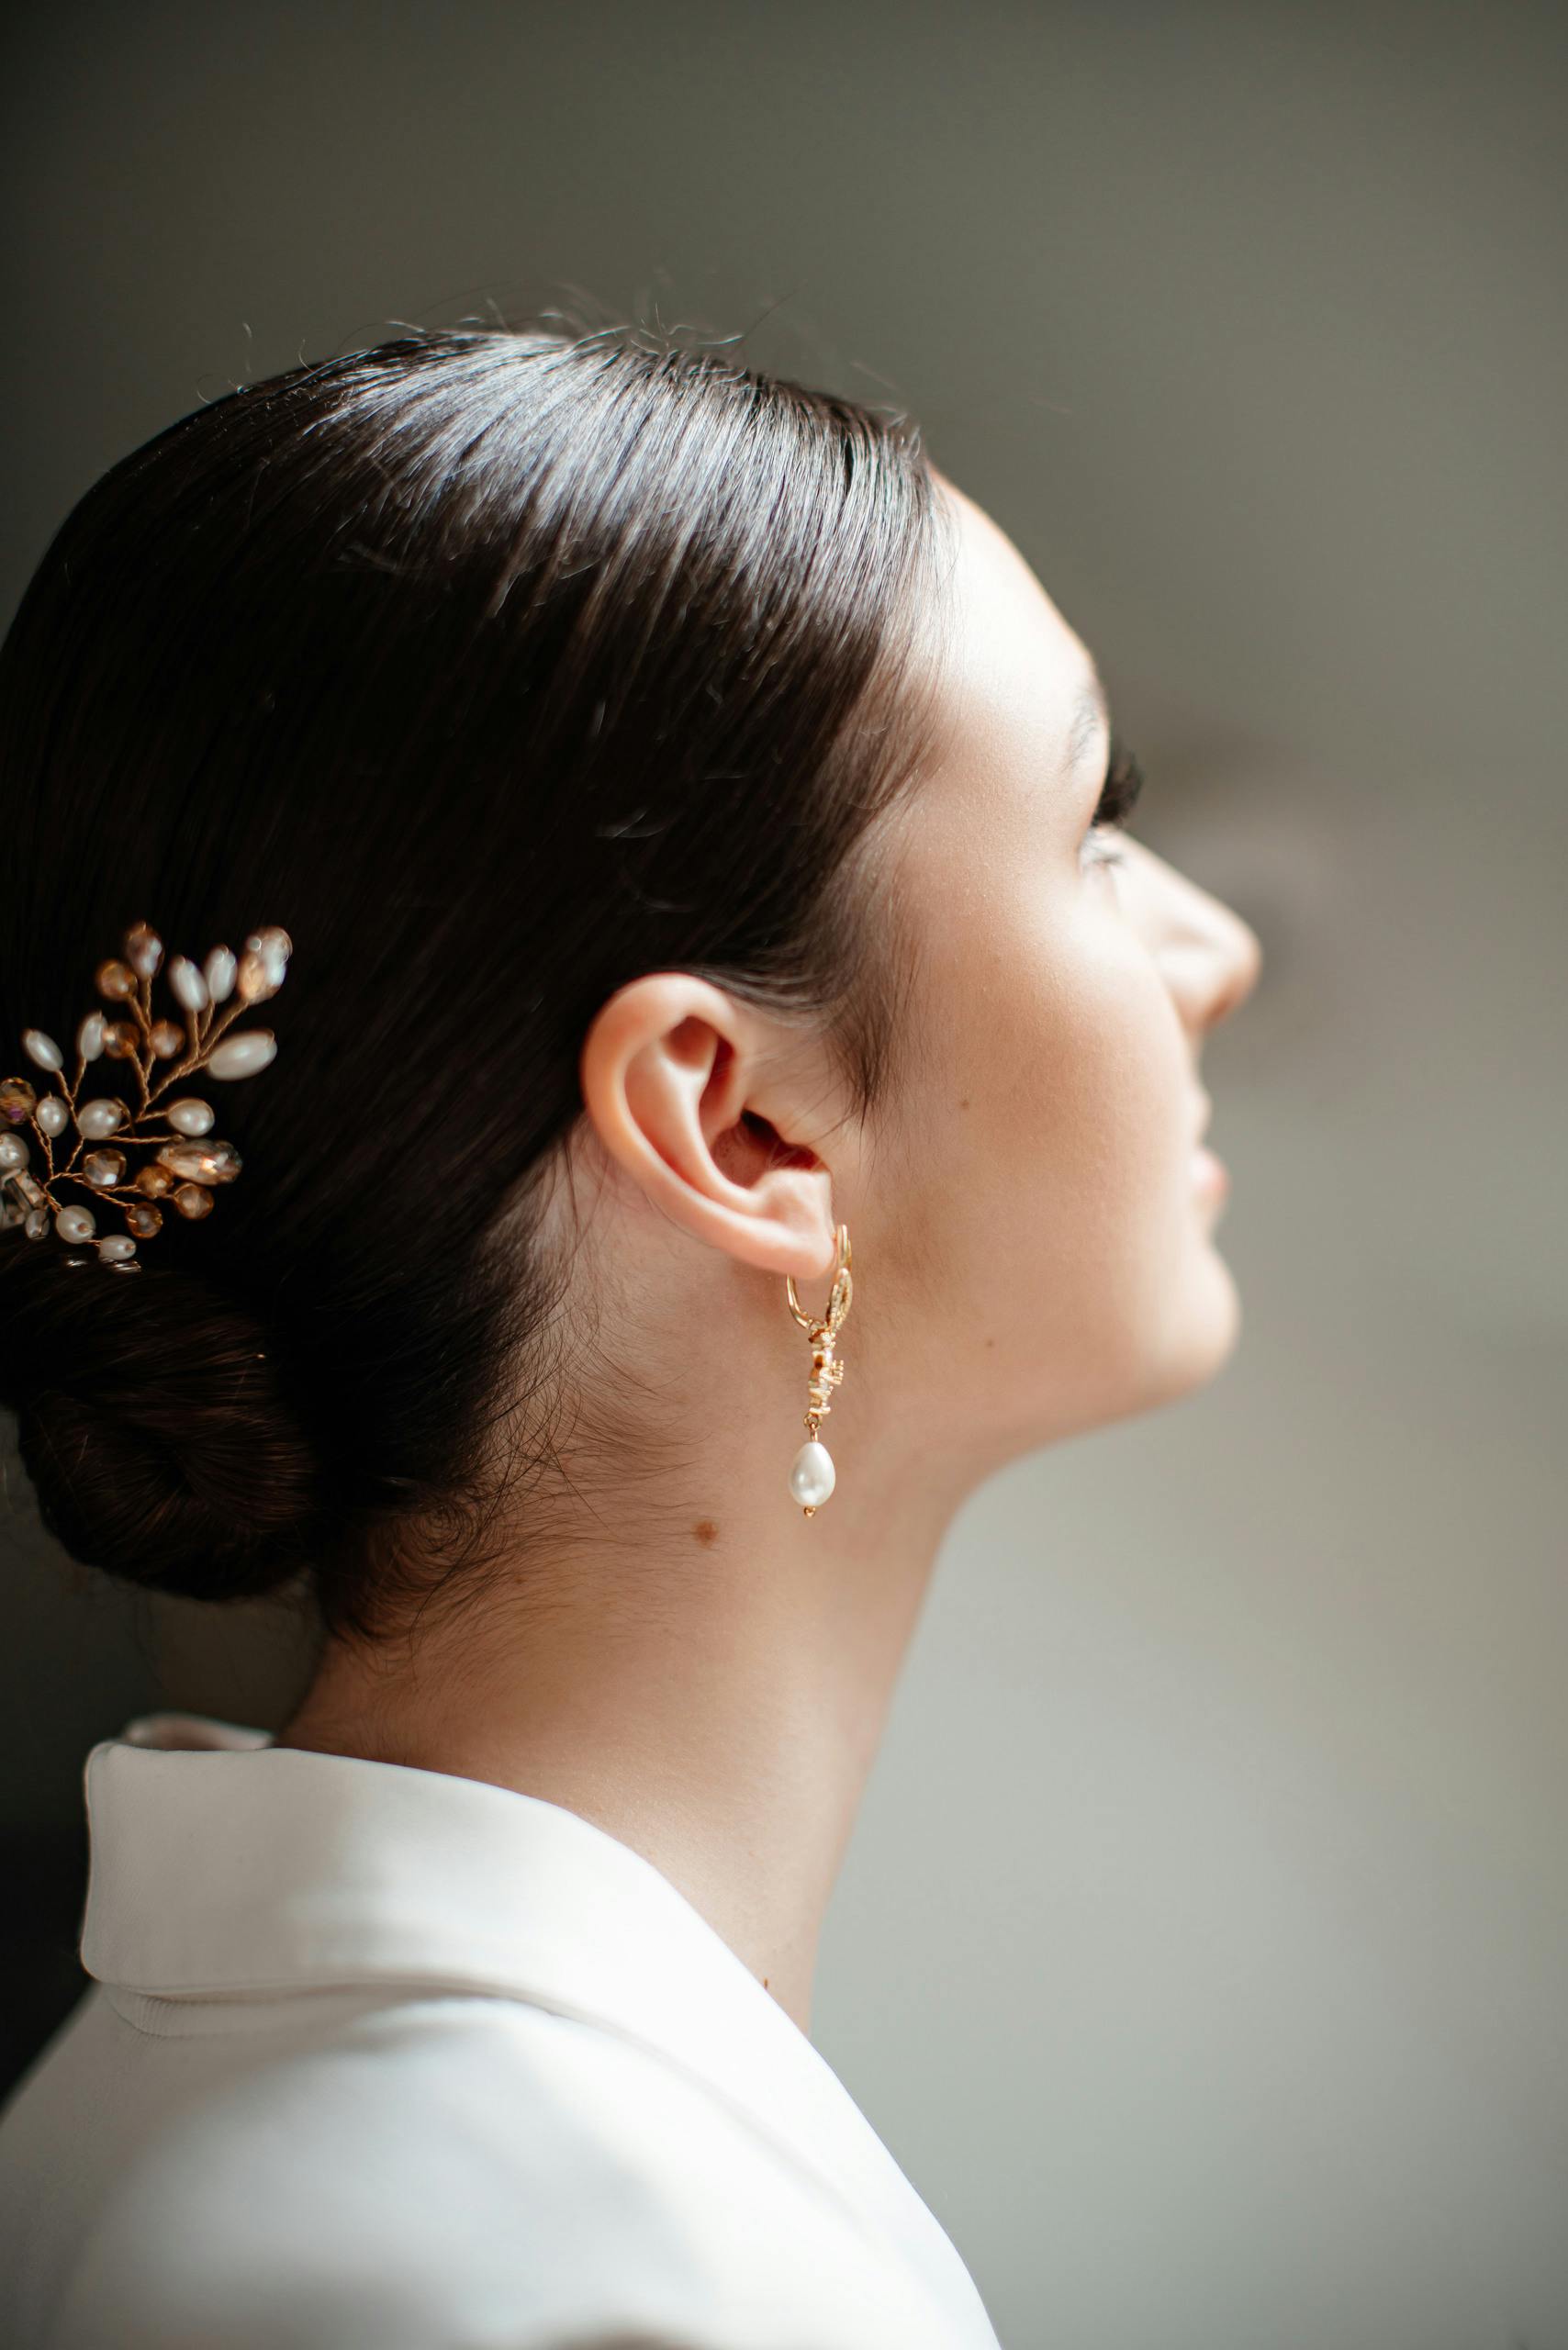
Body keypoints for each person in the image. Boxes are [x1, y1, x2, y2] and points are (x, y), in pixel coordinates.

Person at [0, 314, 1261, 2348]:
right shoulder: (573, 2280)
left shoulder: (172, 2085)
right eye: (1089, 832)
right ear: (741, 1120)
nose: (1215, 949)